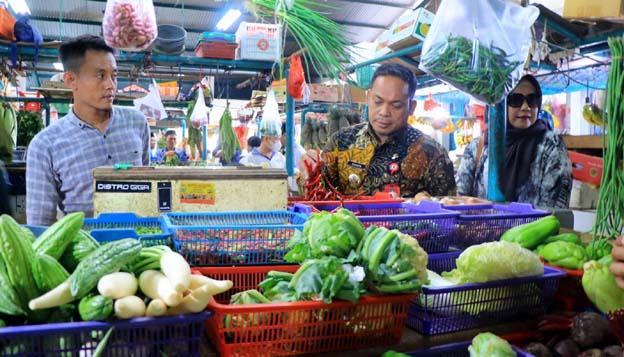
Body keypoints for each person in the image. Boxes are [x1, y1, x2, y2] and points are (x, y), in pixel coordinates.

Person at [27, 35, 150, 225]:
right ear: (70, 80)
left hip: (139, 243)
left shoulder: (137, 123)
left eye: (114, 75)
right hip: (83, 250)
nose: (110, 85)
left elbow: (147, 186)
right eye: (100, 75)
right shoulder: (45, 145)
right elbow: (40, 225)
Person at [308, 63, 456, 197]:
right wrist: (308, 170)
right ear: (368, 97)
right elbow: (317, 194)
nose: (384, 112)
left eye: (396, 105)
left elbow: (448, 210)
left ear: (411, 107)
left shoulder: (433, 154)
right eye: (378, 101)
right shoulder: (340, 142)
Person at [455, 74, 572, 209]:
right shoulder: (479, 147)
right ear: (500, 104)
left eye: (532, 100)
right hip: (480, 228)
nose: (525, 107)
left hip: (532, 229)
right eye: (516, 100)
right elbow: (460, 200)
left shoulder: (551, 146)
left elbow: (555, 209)